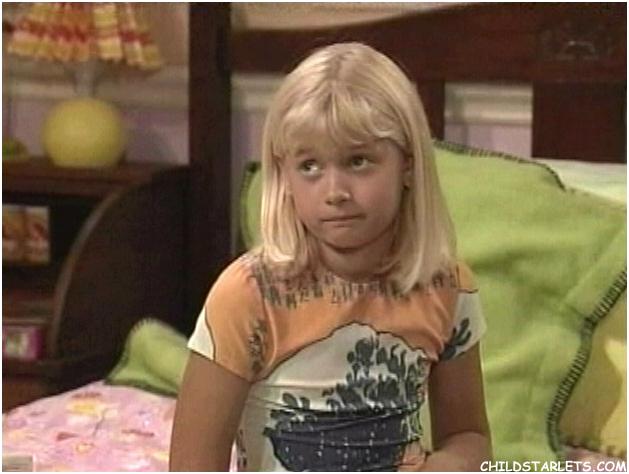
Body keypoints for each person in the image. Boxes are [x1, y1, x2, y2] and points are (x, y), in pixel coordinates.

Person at [170, 42, 492, 472]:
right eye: (309, 166)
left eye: (358, 161)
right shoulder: (248, 295)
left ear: (408, 165)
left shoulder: (447, 286)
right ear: (284, 175)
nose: (335, 192)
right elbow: (191, 465)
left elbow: (468, 437)